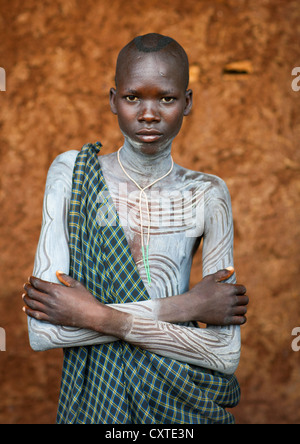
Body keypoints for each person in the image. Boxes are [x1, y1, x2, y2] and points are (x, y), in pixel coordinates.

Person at [22, 33, 248, 424]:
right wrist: (190, 306)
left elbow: (224, 354)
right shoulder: (73, 174)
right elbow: (45, 332)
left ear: (187, 102)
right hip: (97, 406)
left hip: (179, 403)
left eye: (166, 98)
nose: (148, 113)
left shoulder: (208, 194)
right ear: (113, 100)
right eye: (132, 98)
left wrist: (94, 316)